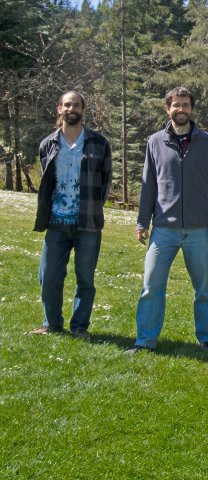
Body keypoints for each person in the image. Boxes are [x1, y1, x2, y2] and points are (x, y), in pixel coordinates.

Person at [128, 87, 208, 353]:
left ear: (192, 109)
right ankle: (145, 341)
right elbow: (148, 185)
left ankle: (206, 339)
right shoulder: (155, 142)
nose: (181, 109)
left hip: (200, 231)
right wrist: (141, 222)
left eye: (185, 105)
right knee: (151, 287)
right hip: (163, 230)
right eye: (176, 105)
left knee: (203, 290)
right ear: (167, 108)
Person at [30, 90, 112, 340]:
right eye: (67, 105)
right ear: (59, 109)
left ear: (83, 110)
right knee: (49, 276)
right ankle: (52, 324)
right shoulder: (48, 144)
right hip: (56, 222)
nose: (71, 109)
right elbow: (47, 182)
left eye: (76, 105)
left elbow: (105, 182)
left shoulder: (99, 143)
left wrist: (93, 209)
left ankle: (79, 327)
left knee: (85, 279)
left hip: (87, 223)